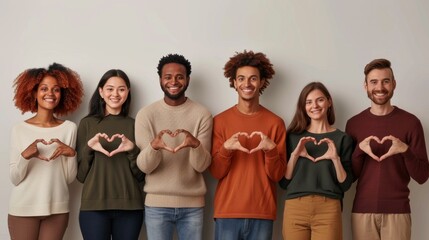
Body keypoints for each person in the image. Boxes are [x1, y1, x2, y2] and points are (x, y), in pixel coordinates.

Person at [345, 58, 429, 240]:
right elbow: (350, 176)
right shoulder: (354, 124)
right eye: (374, 82)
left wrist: (405, 150)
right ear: (365, 86)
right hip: (362, 211)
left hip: (398, 212)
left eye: (386, 81)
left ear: (394, 84)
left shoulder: (411, 123)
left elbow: (422, 176)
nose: (380, 87)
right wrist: (360, 150)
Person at [210, 50, 286, 240]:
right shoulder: (220, 121)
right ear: (234, 83)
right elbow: (215, 172)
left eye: (253, 79)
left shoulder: (275, 123)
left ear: (261, 82)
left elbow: (278, 175)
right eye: (241, 79)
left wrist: (271, 151)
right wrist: (226, 149)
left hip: (262, 212)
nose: (247, 84)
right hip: (227, 212)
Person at [135, 54, 212, 240]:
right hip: (156, 205)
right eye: (168, 77)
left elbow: (202, 166)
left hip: (193, 205)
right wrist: (154, 147)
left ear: (188, 80)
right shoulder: (146, 114)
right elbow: (144, 167)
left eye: (180, 77)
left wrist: (195, 145)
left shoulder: (202, 114)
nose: (174, 81)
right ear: (160, 79)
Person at [8, 63, 83, 240]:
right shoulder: (19, 129)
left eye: (56, 89)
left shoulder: (69, 128)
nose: (50, 93)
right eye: (44, 88)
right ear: (34, 93)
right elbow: (15, 178)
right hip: (23, 209)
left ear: (62, 94)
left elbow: (69, 178)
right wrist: (25, 156)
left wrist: (71, 154)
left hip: (57, 209)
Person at [279, 82, 354, 240]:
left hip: (328, 208)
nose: (314, 105)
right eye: (308, 102)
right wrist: (295, 155)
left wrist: (335, 159)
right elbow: (283, 183)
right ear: (303, 106)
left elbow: (345, 185)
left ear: (329, 102)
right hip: (295, 207)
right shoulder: (292, 137)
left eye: (319, 100)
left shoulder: (343, 139)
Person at [76, 69, 145, 240]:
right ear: (101, 91)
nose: (115, 94)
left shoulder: (135, 125)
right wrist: (89, 148)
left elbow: (141, 175)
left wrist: (132, 150)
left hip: (130, 207)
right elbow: (81, 175)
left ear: (128, 92)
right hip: (93, 207)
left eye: (121, 89)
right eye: (110, 88)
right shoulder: (87, 124)